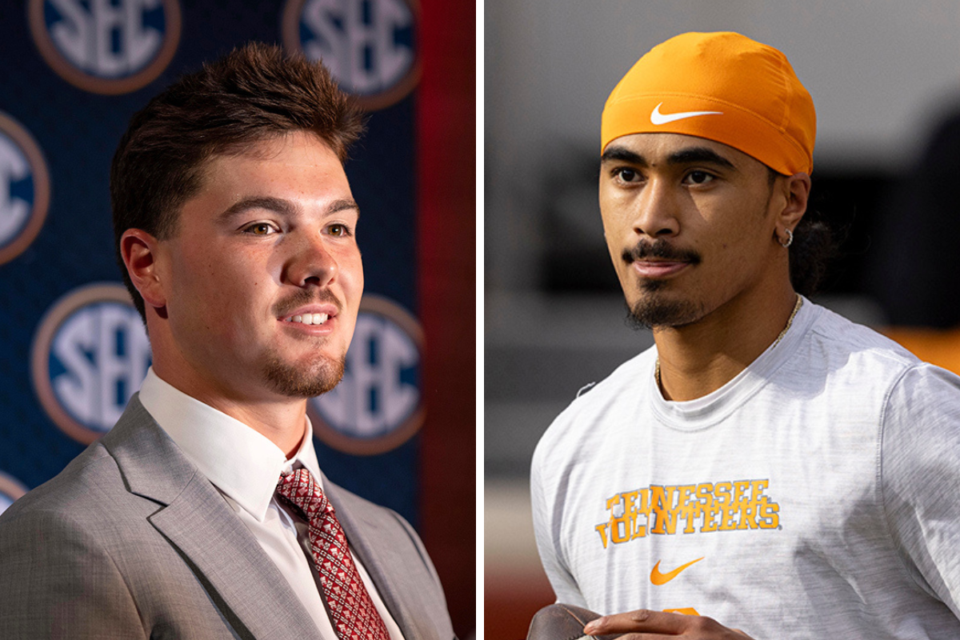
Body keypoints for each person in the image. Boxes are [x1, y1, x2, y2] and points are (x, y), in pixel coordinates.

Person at [0, 43, 453, 640]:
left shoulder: (396, 545)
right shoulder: (72, 539)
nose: (321, 265)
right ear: (147, 266)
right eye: (263, 226)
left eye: (338, 228)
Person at [530, 31, 960, 639]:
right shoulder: (573, 447)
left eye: (699, 176)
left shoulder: (897, 412)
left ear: (789, 201)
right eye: (627, 174)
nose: (652, 217)